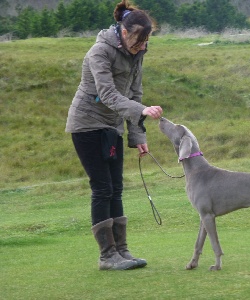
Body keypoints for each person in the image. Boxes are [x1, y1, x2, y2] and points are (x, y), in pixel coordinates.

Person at [65, 0, 163, 271]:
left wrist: (138, 136)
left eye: (146, 42)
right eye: (138, 41)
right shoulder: (99, 51)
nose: (142, 47)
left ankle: (122, 251)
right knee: (103, 188)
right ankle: (107, 256)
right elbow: (107, 94)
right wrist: (142, 110)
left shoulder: (137, 52)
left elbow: (134, 93)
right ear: (124, 32)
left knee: (117, 188)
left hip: (112, 126)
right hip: (86, 124)